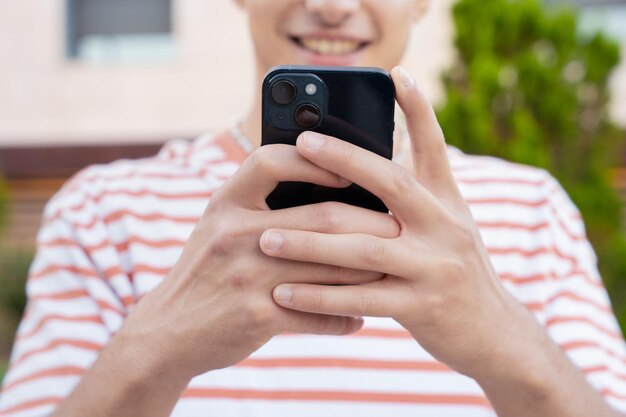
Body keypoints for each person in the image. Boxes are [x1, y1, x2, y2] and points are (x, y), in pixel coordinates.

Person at [1, 0, 626, 416]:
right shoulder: (101, 211)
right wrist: (159, 343)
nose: (331, 5)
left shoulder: (534, 208)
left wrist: (501, 336)